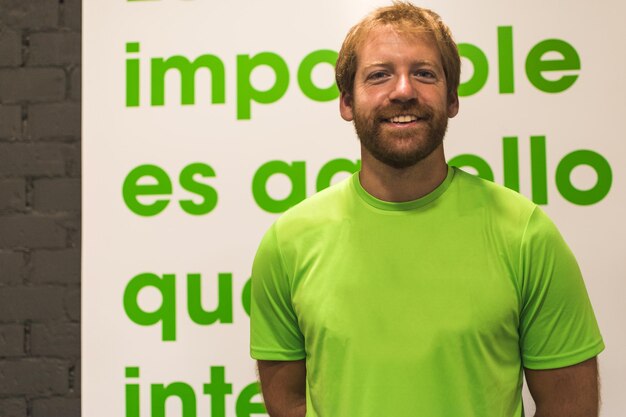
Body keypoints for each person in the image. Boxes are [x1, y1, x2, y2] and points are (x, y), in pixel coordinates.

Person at [250, 2, 604, 416]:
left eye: (424, 73)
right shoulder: (288, 242)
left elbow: (569, 406)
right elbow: (288, 403)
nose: (403, 91)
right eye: (380, 74)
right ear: (347, 101)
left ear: (452, 98)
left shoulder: (525, 232)